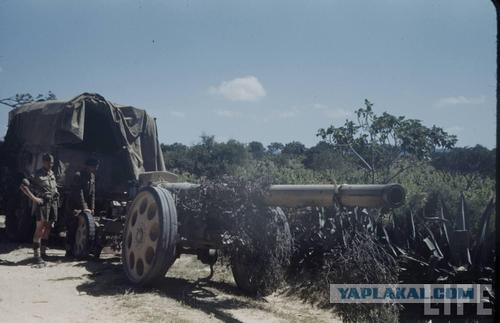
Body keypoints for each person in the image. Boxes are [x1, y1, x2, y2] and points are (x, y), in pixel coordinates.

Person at [19, 153, 59, 265]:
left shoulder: (52, 173)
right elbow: (23, 186)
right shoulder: (37, 174)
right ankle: (37, 256)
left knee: (49, 227)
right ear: (44, 162)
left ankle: (43, 253)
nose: (51, 164)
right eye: (48, 162)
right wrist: (34, 199)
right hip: (43, 204)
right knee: (40, 229)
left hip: (53, 204)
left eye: (52, 162)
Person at [65, 157, 98, 257]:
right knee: (72, 228)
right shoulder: (78, 175)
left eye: (96, 167)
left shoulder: (92, 176)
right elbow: (79, 193)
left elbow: (92, 193)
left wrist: (92, 207)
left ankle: (82, 250)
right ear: (87, 166)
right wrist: (84, 207)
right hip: (74, 205)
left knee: (84, 227)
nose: (95, 169)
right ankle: (69, 251)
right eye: (93, 167)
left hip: (84, 206)